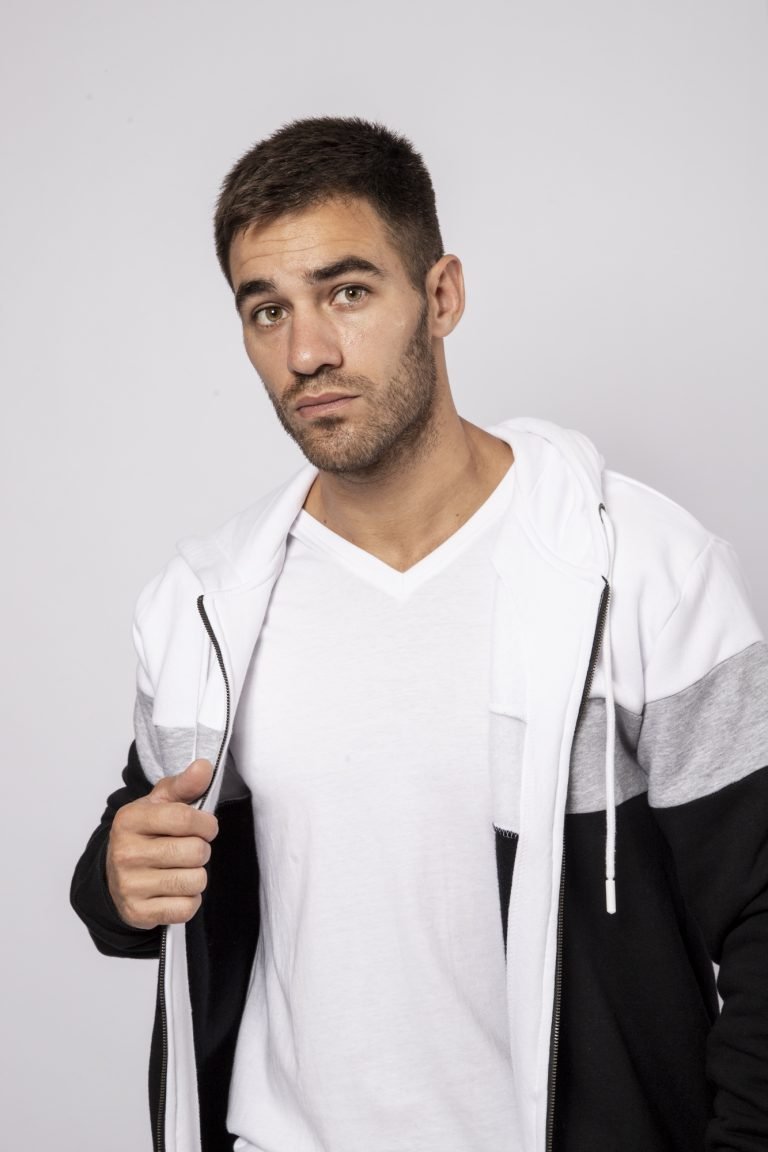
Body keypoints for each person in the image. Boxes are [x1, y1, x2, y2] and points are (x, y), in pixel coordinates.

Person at [71, 117, 768, 1152]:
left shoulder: (639, 568)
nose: (307, 352)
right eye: (267, 311)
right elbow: (143, 854)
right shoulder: (206, 604)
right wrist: (114, 887)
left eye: (347, 292)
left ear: (441, 297)